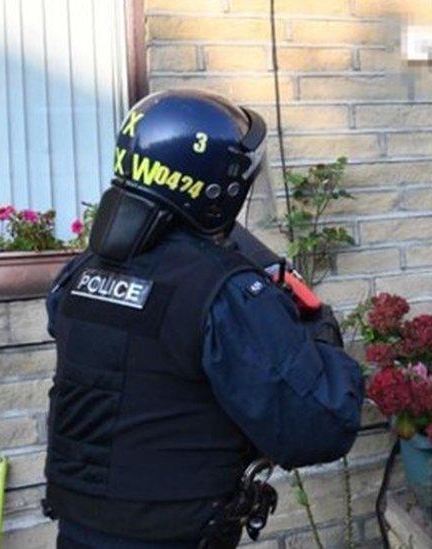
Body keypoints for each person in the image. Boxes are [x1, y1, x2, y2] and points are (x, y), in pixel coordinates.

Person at [42, 89, 364, 548]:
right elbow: (319, 426)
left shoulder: (78, 274)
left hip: (77, 530)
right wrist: (319, 333)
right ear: (216, 189)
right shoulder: (223, 292)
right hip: (174, 535)